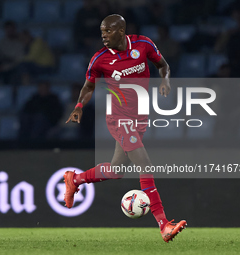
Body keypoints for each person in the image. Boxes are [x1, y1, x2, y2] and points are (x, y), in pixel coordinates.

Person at [64, 14, 186, 243]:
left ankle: (76, 179)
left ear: (121, 31)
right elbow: (88, 86)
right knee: (145, 165)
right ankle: (164, 225)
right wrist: (79, 105)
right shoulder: (99, 59)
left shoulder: (143, 44)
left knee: (116, 170)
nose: (103, 36)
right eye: (101, 32)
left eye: (107, 31)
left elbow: (163, 65)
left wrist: (165, 80)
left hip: (140, 116)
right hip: (118, 118)